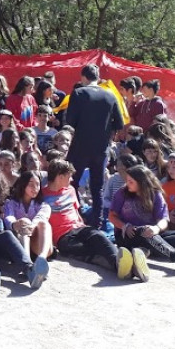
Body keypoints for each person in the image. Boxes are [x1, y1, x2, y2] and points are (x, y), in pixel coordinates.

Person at [42, 158, 143, 282]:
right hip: (63, 238)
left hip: (80, 228)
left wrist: (84, 227)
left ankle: (124, 265)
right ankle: (128, 268)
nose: (72, 179)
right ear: (59, 177)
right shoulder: (42, 195)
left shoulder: (71, 190)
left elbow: (76, 213)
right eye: (69, 177)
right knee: (90, 251)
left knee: (99, 237)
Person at [64, 64, 124, 227]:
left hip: (80, 147)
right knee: (97, 187)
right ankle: (97, 223)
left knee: (70, 182)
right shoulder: (110, 96)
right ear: (97, 78)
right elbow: (119, 123)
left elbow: (70, 120)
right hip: (101, 149)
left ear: (83, 77)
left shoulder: (78, 93)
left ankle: (74, 218)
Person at [108, 164, 175, 274]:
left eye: (131, 181)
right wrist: (124, 226)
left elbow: (164, 219)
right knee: (144, 232)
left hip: (151, 233)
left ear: (141, 182)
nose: (127, 184)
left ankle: (145, 251)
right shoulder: (122, 193)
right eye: (127, 180)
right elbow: (111, 216)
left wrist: (156, 228)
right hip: (128, 234)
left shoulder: (155, 194)